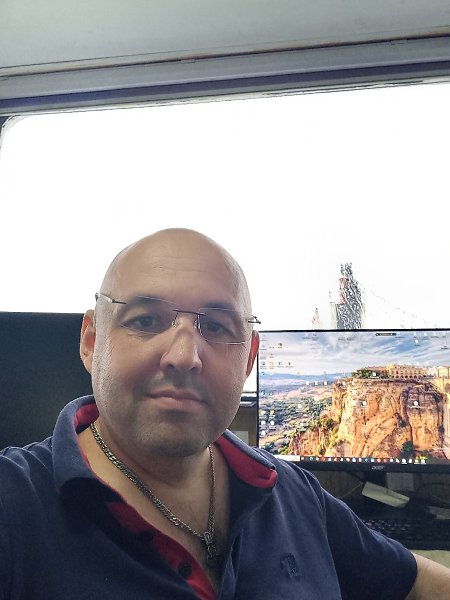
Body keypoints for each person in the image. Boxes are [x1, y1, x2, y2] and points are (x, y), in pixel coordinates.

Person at [1, 227, 450, 599]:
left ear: (249, 358)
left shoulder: (293, 493)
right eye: (145, 320)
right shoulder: (14, 505)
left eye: (216, 327)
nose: (184, 356)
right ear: (91, 341)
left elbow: (414, 583)